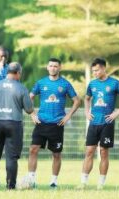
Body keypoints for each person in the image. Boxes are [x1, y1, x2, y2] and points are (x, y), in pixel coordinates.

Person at [27, 58, 80, 189]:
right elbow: (29, 98)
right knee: (33, 149)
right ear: (47, 67)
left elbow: (77, 101)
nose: (53, 68)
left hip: (57, 124)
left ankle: (53, 182)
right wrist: (32, 114)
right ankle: (31, 180)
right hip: (41, 122)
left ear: (59, 68)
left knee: (56, 154)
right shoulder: (41, 83)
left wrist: (68, 116)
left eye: (55, 66)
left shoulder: (65, 84)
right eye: (50, 66)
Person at [78, 58, 119, 190]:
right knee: (89, 151)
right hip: (94, 122)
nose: (95, 73)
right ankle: (83, 182)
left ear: (103, 69)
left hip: (107, 123)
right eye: (93, 71)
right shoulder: (92, 84)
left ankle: (101, 184)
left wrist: (116, 113)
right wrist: (87, 111)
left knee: (103, 152)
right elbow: (87, 98)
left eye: (96, 70)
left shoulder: (114, 83)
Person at [0, 62, 33, 189]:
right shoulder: (21, 88)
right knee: (11, 157)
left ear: (7, 72)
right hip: (14, 124)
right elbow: (29, 109)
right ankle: (10, 185)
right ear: (18, 73)